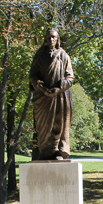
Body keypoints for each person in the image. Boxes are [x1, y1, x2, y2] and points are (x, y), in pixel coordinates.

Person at [29, 29, 74, 160]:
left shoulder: (63, 55)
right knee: (43, 126)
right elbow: (32, 74)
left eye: (54, 37)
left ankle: (58, 151)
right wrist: (40, 86)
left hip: (60, 96)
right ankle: (45, 151)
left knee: (58, 123)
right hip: (43, 97)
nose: (51, 40)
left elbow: (70, 77)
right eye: (49, 38)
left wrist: (58, 88)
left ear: (57, 39)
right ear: (45, 39)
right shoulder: (39, 56)